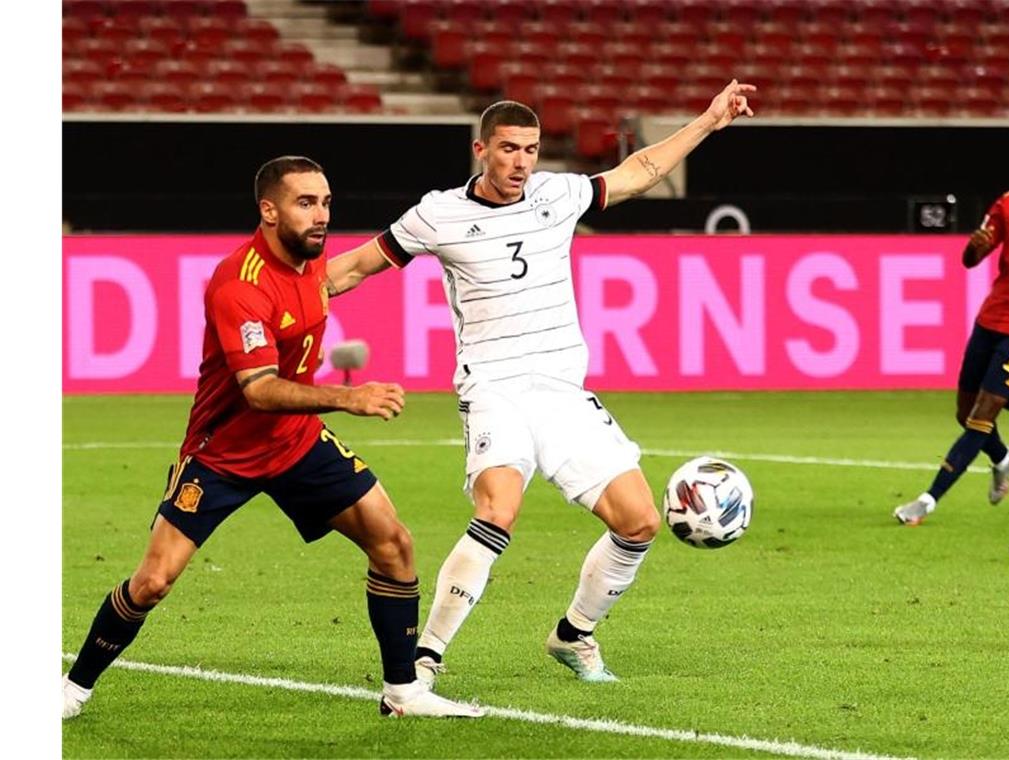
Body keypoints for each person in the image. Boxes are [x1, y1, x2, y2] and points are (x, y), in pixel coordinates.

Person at [326, 81, 755, 684]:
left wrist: (709, 121)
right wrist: (274, 298)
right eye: (508, 149)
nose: (521, 162)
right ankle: (425, 658)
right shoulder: (438, 213)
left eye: (530, 149)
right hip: (494, 388)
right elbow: (355, 267)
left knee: (639, 522)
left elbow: (640, 171)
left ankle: (574, 635)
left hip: (561, 390)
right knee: (499, 510)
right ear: (482, 150)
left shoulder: (558, 194)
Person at [62, 156, 483, 719]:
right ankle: (73, 689)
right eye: (305, 203)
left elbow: (357, 268)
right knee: (154, 580)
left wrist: (433, 227)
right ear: (269, 210)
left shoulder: (312, 265)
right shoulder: (240, 284)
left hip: (297, 443)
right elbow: (258, 390)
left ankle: (403, 691)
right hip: (224, 455)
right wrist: (348, 396)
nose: (321, 216)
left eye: (327, 202)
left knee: (394, 544)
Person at [893, 130, 1009, 525]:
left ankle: (927, 501)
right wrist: (975, 245)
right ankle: (1002, 456)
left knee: (983, 411)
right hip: (991, 319)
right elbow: (969, 259)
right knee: (965, 413)